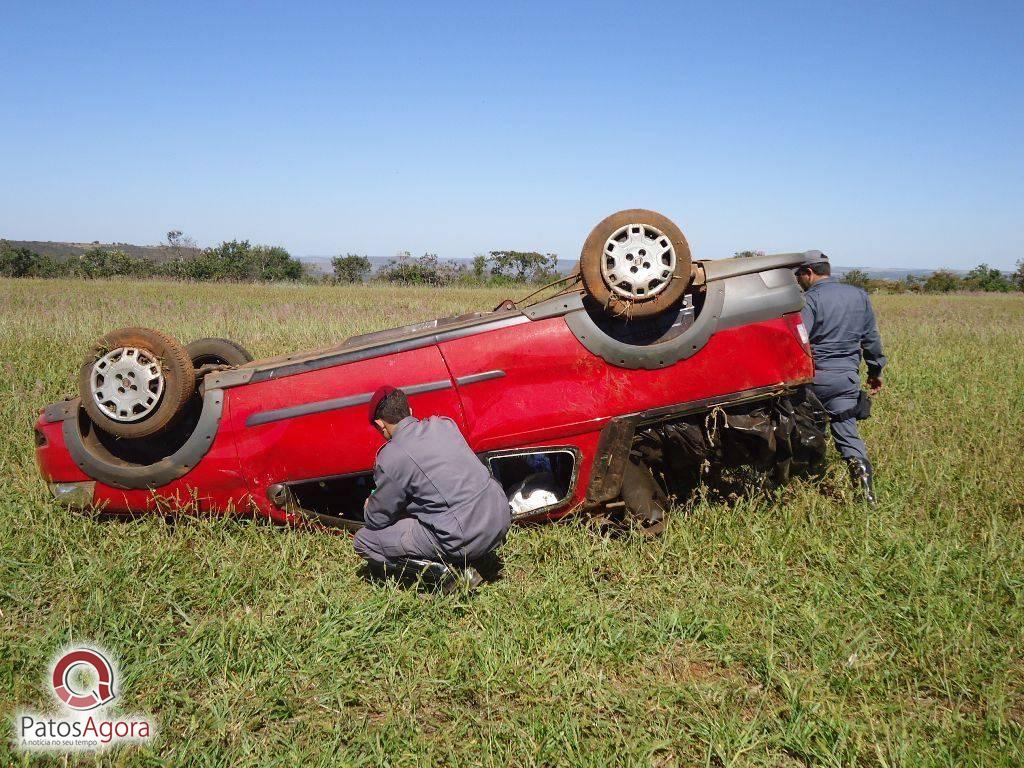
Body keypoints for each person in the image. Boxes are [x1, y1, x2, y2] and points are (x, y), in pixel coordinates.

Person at [352, 385, 512, 588]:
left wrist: (369, 506)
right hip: (500, 515)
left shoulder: (390, 457)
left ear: (380, 425)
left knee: (364, 540)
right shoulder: (445, 424)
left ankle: (448, 575)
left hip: (465, 536)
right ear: (410, 411)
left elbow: (378, 518)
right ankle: (475, 556)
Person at [795, 250, 886, 504]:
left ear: (809, 273)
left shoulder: (809, 300)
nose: (798, 280)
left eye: (799, 275)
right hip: (846, 379)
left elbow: (799, 340)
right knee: (847, 434)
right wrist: (875, 371)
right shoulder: (860, 295)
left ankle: (806, 481)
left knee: (808, 430)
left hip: (815, 379)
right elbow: (871, 339)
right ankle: (866, 495)